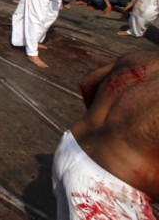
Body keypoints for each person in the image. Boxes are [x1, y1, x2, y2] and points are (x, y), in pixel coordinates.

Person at [52, 50, 159, 219]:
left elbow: (87, 82)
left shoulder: (144, 58)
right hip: (108, 191)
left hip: (71, 146)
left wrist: (105, 129)